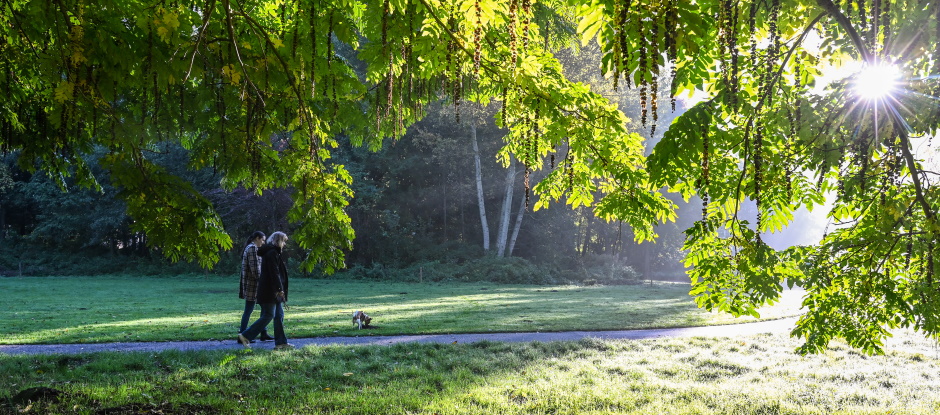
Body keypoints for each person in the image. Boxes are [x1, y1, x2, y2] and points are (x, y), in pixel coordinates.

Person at [238, 231, 294, 350]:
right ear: (278, 240)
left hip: (272, 290)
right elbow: (274, 273)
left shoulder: (272, 252)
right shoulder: (272, 253)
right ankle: (245, 335)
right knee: (269, 315)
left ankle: (281, 343)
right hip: (270, 291)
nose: (284, 244)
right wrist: (279, 289)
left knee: (279, 315)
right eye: (283, 241)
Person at [239, 231, 273, 342]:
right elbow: (255, 269)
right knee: (249, 310)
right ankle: (243, 334)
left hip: (252, 284)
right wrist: (264, 282)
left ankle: (263, 333)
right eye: (262, 240)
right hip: (253, 285)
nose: (263, 243)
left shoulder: (250, 247)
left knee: (263, 309)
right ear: (257, 238)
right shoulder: (252, 248)